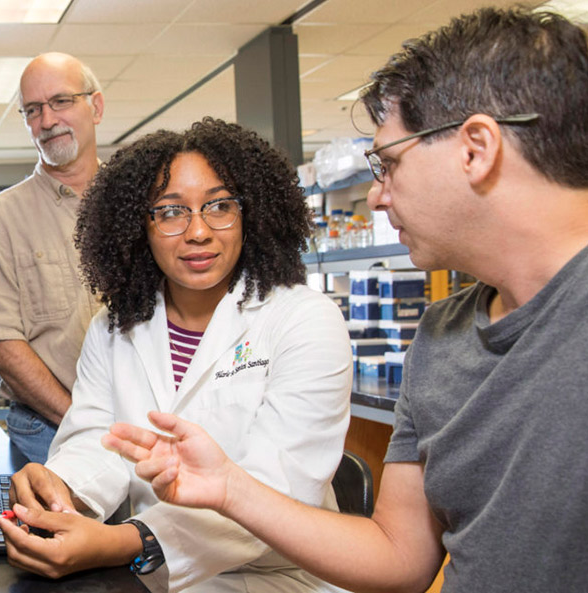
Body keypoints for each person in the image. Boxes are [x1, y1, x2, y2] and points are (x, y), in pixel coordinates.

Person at [103, 7, 588, 593]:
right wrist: (232, 488)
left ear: (476, 148)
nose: (378, 197)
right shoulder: (443, 336)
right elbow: (400, 557)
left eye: (388, 163)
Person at [0, 118, 353, 592]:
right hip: (154, 573)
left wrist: (128, 540)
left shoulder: (305, 319)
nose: (198, 232)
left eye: (220, 206)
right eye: (170, 212)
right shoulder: (114, 327)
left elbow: (278, 487)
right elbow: (96, 439)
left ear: (253, 214)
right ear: (136, 227)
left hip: (279, 575)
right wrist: (62, 495)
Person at [0, 53, 105, 464]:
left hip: (147, 426)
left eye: (61, 101)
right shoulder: (1, 220)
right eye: (33, 110)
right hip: (50, 430)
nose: (46, 121)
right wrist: (83, 422)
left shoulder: (142, 204)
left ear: (95, 106)